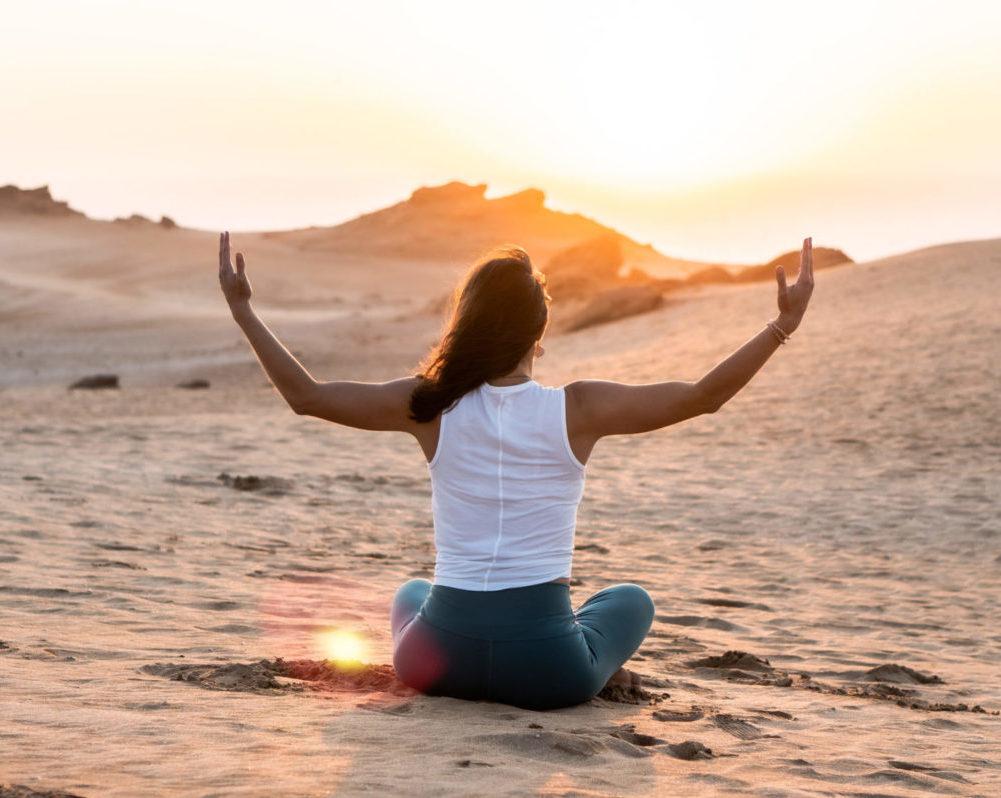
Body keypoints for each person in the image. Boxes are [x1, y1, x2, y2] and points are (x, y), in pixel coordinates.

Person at [217, 232, 815, 711]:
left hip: (435, 662)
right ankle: (595, 660)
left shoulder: (429, 405)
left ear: (469, 322)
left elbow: (307, 395)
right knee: (630, 600)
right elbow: (701, 396)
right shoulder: (578, 408)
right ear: (539, 332)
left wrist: (244, 311)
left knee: (412, 590)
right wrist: (781, 327)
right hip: (549, 673)